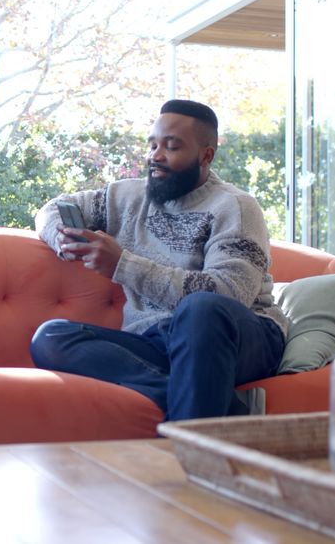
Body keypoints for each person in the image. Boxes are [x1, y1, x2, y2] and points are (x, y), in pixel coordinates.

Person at [29, 99, 288, 421]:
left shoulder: (234, 207)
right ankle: (229, 407)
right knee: (52, 337)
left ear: (206, 155)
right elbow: (52, 208)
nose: (155, 155)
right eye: (152, 144)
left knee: (200, 308)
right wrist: (62, 238)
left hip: (239, 336)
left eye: (171, 147)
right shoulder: (127, 197)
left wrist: (122, 264)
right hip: (159, 342)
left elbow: (227, 293)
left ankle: (189, 451)